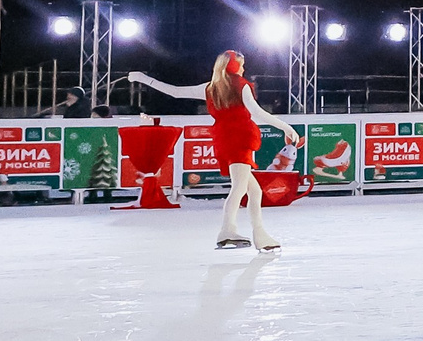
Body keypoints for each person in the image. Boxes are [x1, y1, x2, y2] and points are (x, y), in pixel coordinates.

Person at [128, 53, 301, 252]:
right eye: (241, 65)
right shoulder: (241, 85)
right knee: (239, 187)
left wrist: (142, 78)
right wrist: (285, 127)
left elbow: (174, 92)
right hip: (240, 138)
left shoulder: (210, 88)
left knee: (254, 191)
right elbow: (256, 111)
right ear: (234, 66)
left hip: (224, 139)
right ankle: (227, 230)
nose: (243, 69)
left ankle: (260, 235)